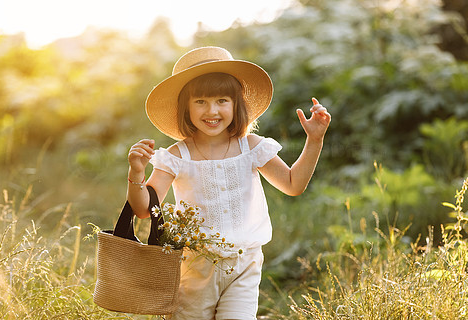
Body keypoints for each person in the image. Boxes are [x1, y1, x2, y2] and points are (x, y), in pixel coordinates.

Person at [126, 46, 331, 319]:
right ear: (186, 107)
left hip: (244, 264)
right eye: (200, 101)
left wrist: (314, 140)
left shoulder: (251, 147)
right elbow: (144, 209)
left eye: (222, 100)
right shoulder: (177, 156)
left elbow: (293, 185)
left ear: (237, 104)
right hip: (194, 268)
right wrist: (137, 173)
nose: (212, 110)